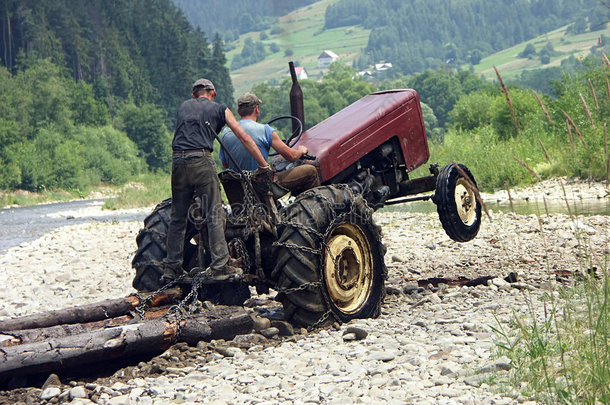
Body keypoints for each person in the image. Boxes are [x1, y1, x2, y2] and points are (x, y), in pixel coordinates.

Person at [163, 79, 270, 283]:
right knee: (214, 212)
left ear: (194, 94)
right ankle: (220, 265)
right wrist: (263, 165)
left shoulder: (184, 106)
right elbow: (244, 137)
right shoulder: (220, 109)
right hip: (201, 160)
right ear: (213, 93)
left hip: (177, 161)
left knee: (178, 216)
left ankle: (171, 268)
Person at [219, 92, 320, 195]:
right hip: (262, 185)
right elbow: (291, 156)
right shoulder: (265, 130)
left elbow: (225, 164)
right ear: (257, 109)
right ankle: (316, 205)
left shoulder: (226, 133)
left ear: (239, 112)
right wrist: (301, 151)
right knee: (311, 171)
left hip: (238, 187)